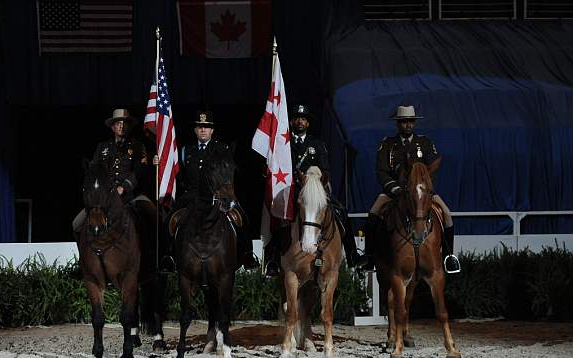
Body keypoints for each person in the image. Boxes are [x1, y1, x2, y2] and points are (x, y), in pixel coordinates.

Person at [356, 105, 460, 272]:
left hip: (420, 193)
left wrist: (423, 189)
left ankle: (449, 256)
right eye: (404, 121)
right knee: (373, 213)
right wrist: (395, 189)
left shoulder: (424, 143)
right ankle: (370, 257)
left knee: (446, 213)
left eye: (411, 121)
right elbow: (381, 171)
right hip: (394, 192)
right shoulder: (388, 144)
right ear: (398, 123)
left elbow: (432, 169)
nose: (408, 124)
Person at [264, 104, 359, 278]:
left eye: (304, 119)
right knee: (279, 218)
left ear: (308, 123)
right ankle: (273, 260)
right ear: (292, 121)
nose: (300, 121)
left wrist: (316, 180)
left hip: (314, 191)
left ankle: (353, 256)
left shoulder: (317, 144)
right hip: (293, 190)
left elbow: (327, 170)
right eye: (297, 118)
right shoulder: (285, 144)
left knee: (341, 212)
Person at [168, 109, 260, 270]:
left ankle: (247, 255)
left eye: (206, 126)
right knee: (170, 218)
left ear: (212, 130)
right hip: (191, 196)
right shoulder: (186, 151)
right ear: (195, 130)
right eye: (200, 126)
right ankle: (167, 257)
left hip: (217, 196)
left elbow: (228, 172)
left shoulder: (221, 149)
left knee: (242, 216)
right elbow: (179, 175)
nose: (203, 129)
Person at [72, 108, 158, 260]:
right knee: (77, 225)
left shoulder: (138, 146)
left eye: (125, 123)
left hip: (131, 196)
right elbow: (94, 171)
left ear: (129, 127)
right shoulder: (102, 147)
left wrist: (124, 187)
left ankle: (155, 260)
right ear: (112, 127)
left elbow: (139, 171)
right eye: (118, 123)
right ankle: (85, 261)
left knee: (154, 217)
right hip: (105, 198)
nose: (121, 126)